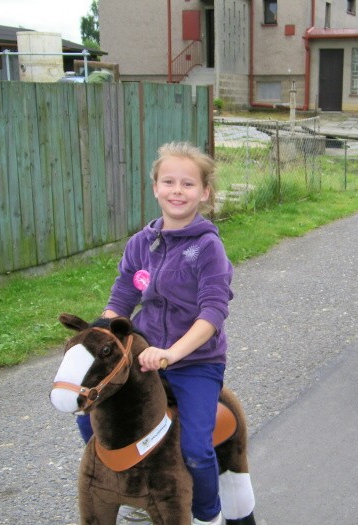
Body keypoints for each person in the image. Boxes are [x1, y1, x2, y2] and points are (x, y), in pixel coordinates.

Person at [77, 142, 232, 525]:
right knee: (89, 418)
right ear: (155, 188)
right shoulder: (140, 243)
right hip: (142, 358)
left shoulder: (208, 247)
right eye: (169, 182)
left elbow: (212, 313)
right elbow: (122, 300)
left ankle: (207, 513)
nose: (177, 191)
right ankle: (135, 484)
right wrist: (97, 338)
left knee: (196, 449)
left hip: (195, 362)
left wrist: (171, 354)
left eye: (188, 184)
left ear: (204, 192)